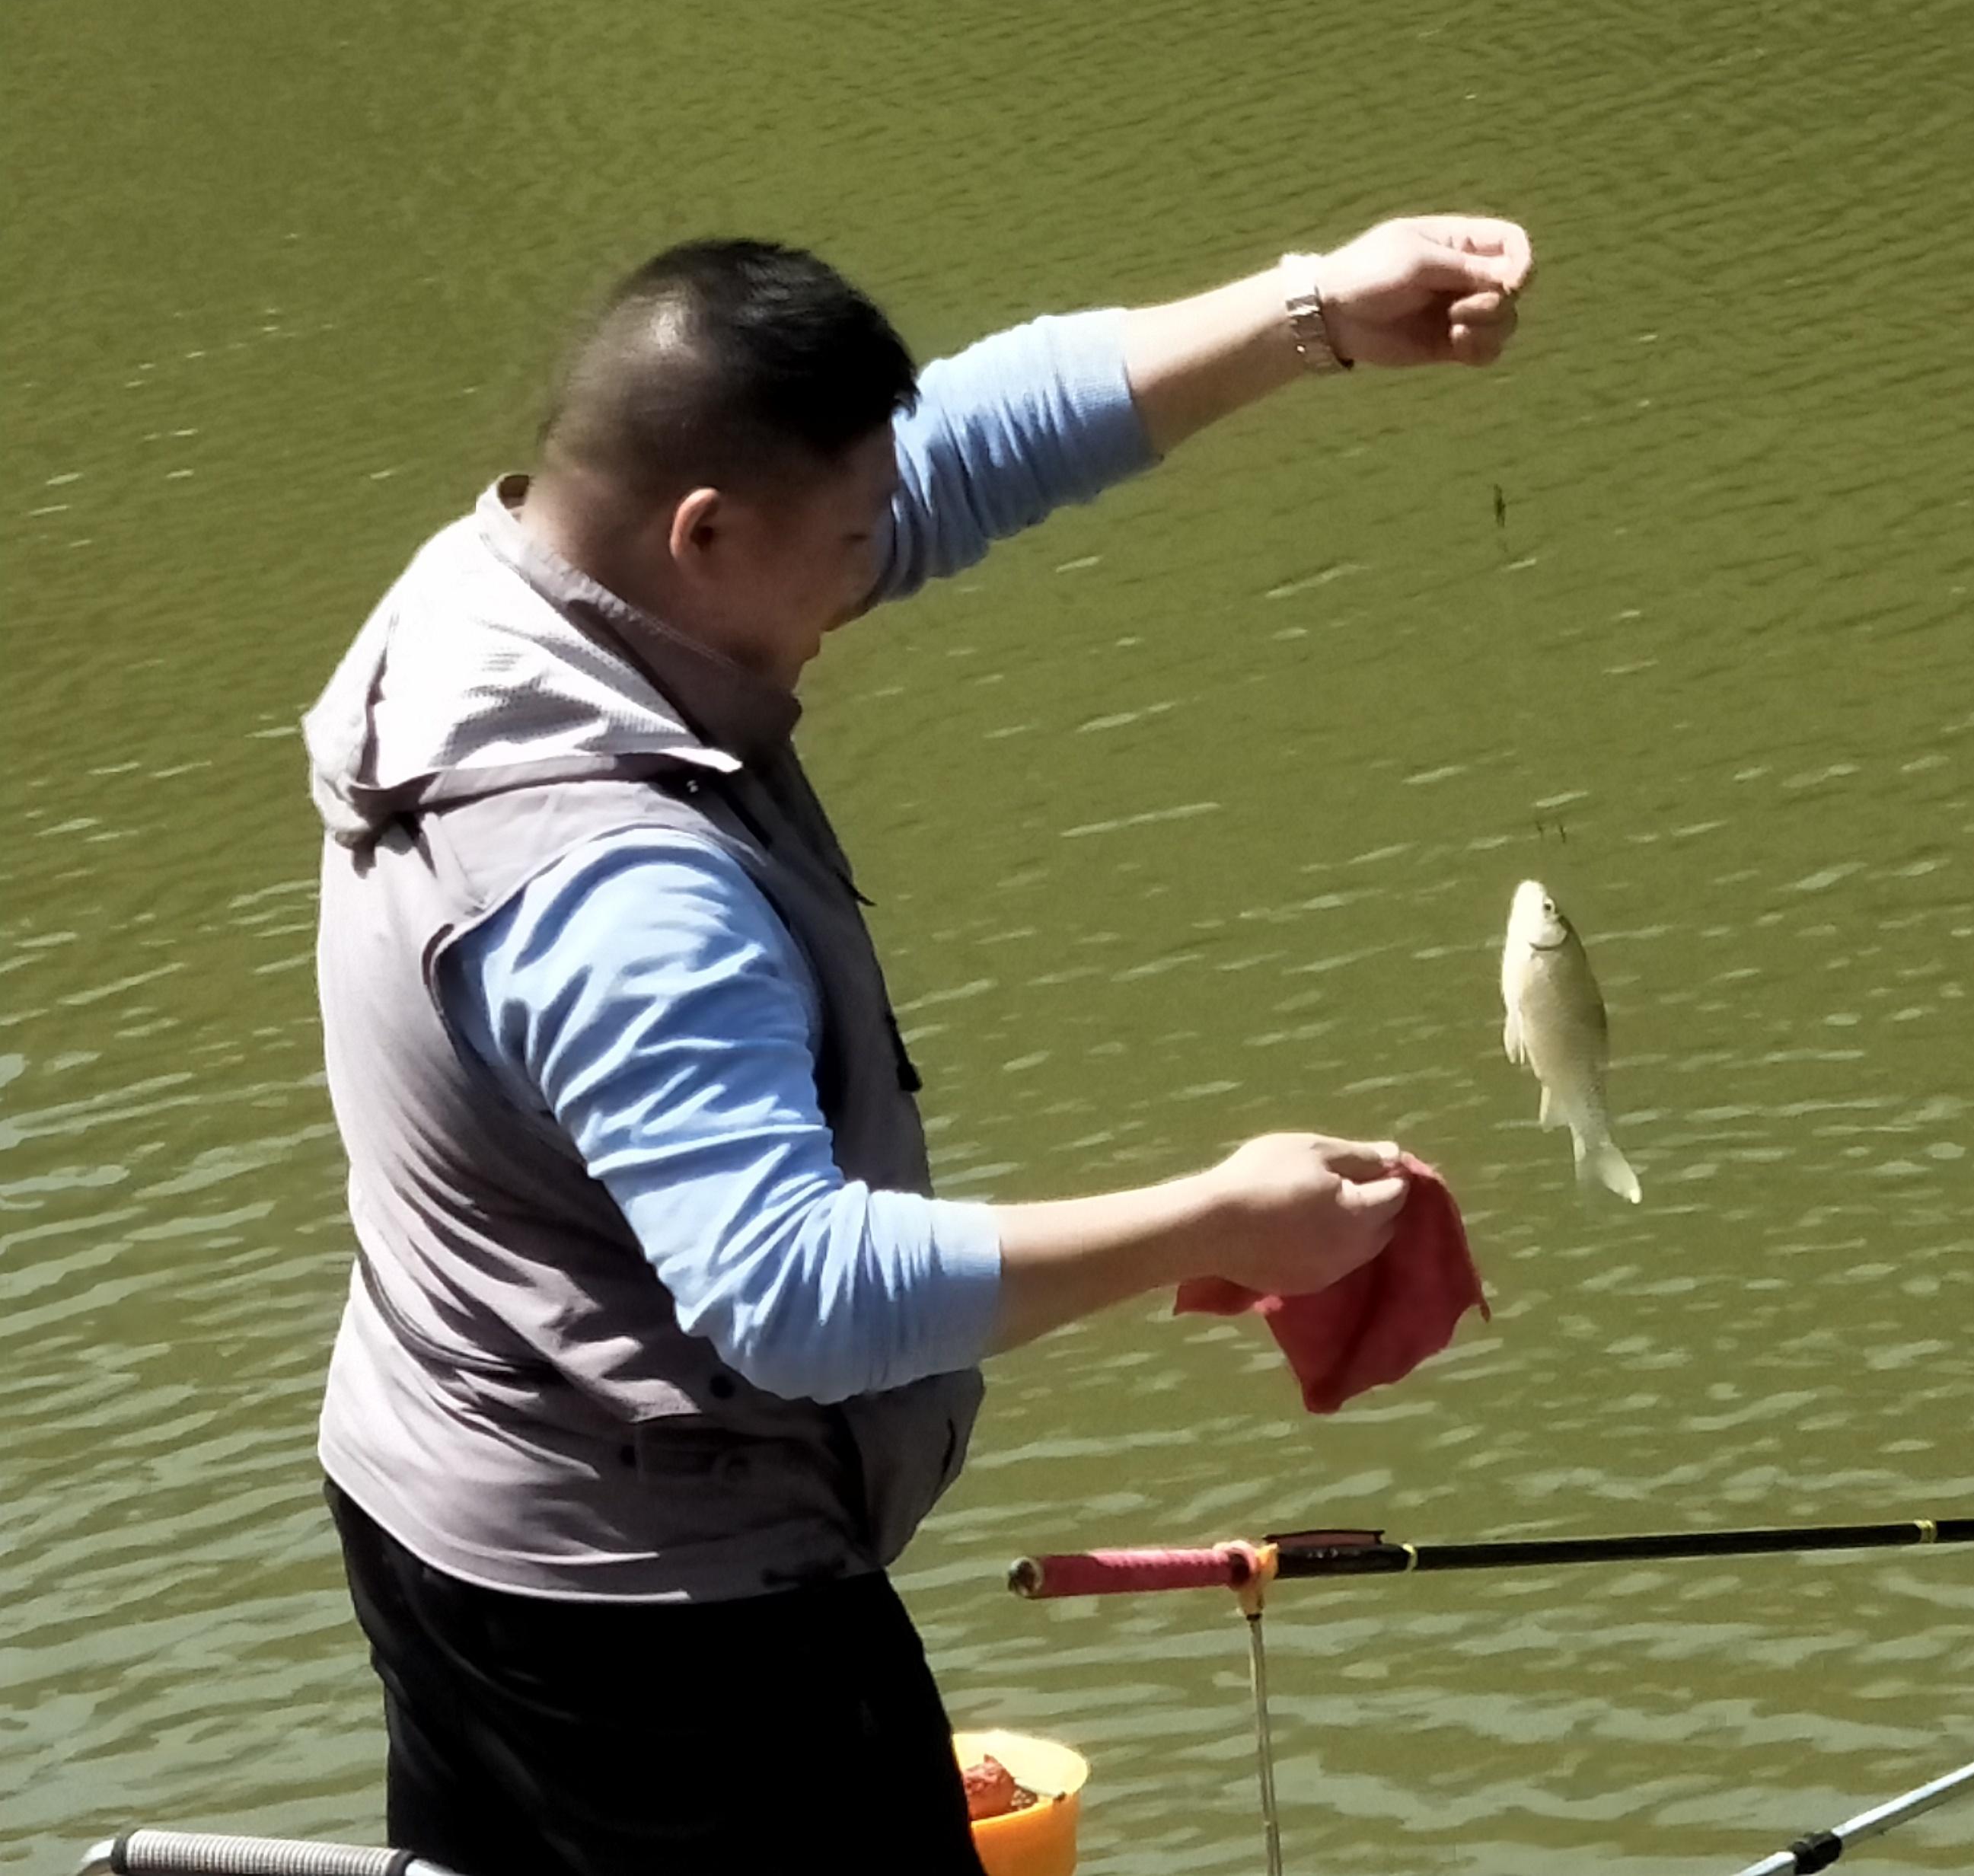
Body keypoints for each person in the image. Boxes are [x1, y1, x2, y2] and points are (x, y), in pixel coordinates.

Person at [298, 215, 1532, 1874]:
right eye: (854, 540)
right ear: (708, 531)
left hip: (439, 1491)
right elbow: (793, 1295)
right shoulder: (621, 892)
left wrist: (1305, 313)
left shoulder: (507, 593)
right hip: (660, 1629)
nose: (883, 562)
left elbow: (947, 451)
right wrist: (1219, 1221)